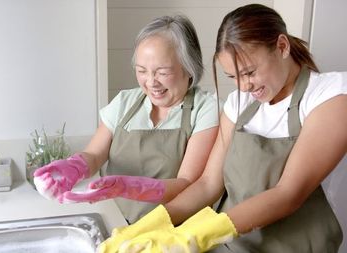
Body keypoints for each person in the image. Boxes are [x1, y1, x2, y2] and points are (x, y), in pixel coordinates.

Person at [96, 4, 346, 253]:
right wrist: (153, 225)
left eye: (249, 72)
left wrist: (196, 234)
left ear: (282, 47)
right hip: (234, 245)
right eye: (233, 77)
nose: (244, 86)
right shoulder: (241, 103)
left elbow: (287, 194)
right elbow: (207, 184)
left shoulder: (329, 95)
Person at [33, 15, 220, 223]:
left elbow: (187, 183)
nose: (151, 82)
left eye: (162, 72)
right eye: (141, 71)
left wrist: (130, 187)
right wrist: (75, 167)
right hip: (116, 221)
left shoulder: (205, 109)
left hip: (171, 228)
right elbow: (94, 155)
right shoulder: (125, 102)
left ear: (189, 67)